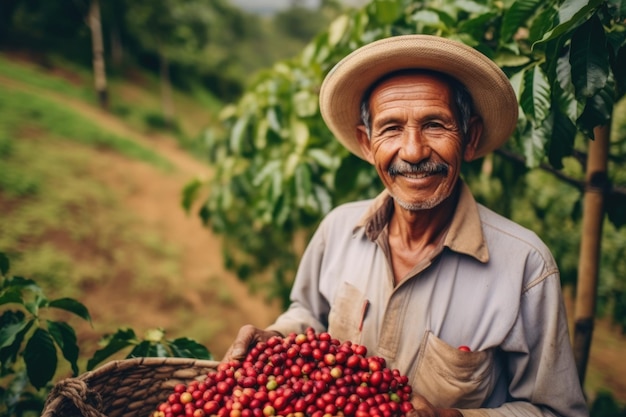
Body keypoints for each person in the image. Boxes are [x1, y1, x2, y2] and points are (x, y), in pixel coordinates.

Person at [222, 35, 589, 417]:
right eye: (391, 129)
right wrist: (278, 337)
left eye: (434, 125)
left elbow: (556, 412)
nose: (412, 151)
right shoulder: (337, 229)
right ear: (367, 145)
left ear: (470, 138)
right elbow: (310, 314)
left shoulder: (525, 266)